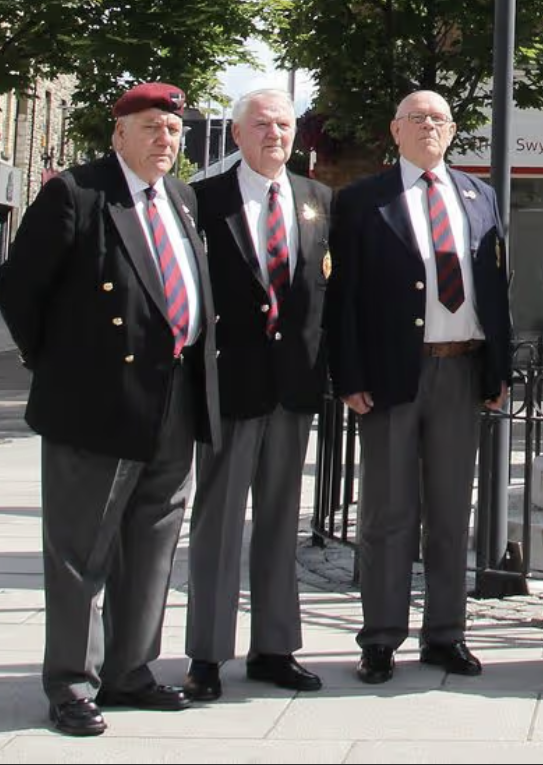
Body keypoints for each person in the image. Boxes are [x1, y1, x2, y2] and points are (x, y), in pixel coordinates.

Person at [0, 81, 220, 738]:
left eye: (174, 131)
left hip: (175, 397)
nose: (164, 140)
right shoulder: (78, 192)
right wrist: (58, 364)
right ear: (117, 132)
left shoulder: (181, 197)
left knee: (152, 543)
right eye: (150, 127)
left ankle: (131, 670)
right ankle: (71, 682)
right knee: (81, 550)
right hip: (96, 403)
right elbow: (19, 289)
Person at [327, 91, 512, 686]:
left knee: (453, 511)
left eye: (438, 119)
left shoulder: (478, 196)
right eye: (416, 118)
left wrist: (498, 369)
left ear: (453, 131)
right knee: (387, 513)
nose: (428, 126)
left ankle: (445, 634)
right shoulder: (362, 201)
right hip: (391, 376)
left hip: (461, 370)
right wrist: (349, 375)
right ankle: (380, 637)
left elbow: (495, 289)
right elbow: (343, 297)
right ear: (395, 129)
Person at [183, 87, 331, 701]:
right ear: (238, 135)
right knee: (217, 522)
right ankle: (207, 655)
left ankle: (274, 647)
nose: (276, 135)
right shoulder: (202, 201)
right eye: (263, 125)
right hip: (231, 384)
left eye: (285, 125)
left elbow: (326, 299)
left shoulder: (317, 201)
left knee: (278, 522)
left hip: (292, 389)